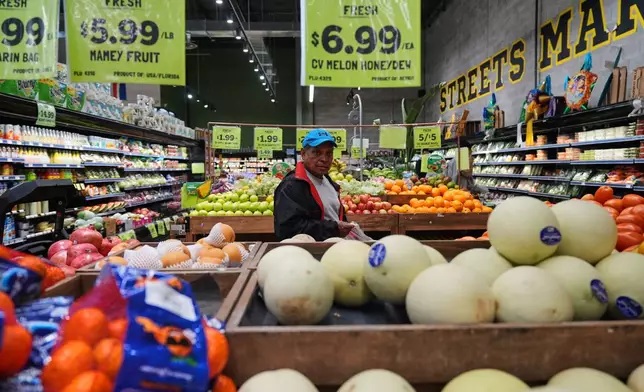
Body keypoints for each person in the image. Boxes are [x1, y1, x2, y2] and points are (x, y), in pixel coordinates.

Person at [274, 129, 355, 241]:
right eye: (317, 153)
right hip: (309, 252)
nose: (324, 159)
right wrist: (334, 228)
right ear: (303, 154)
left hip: (333, 248)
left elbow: (333, 215)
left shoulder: (327, 180)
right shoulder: (291, 186)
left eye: (329, 153)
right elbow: (288, 228)